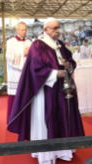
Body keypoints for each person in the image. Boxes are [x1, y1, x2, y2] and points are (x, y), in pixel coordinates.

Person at [8, 18, 84, 164]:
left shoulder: (60, 44)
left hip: (62, 90)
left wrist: (69, 64)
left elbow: (70, 59)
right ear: (46, 29)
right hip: (46, 91)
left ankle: (64, 150)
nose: (58, 31)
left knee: (63, 118)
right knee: (49, 120)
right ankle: (48, 154)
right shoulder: (38, 45)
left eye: (58, 27)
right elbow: (35, 69)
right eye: (55, 28)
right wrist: (55, 74)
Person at [6, 22, 32, 123]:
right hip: (15, 74)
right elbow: (9, 57)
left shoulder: (29, 42)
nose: (24, 32)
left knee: (26, 96)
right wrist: (23, 53)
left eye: (25, 29)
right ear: (17, 30)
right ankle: (13, 121)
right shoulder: (11, 42)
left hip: (26, 74)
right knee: (15, 96)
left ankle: (26, 120)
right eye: (22, 30)